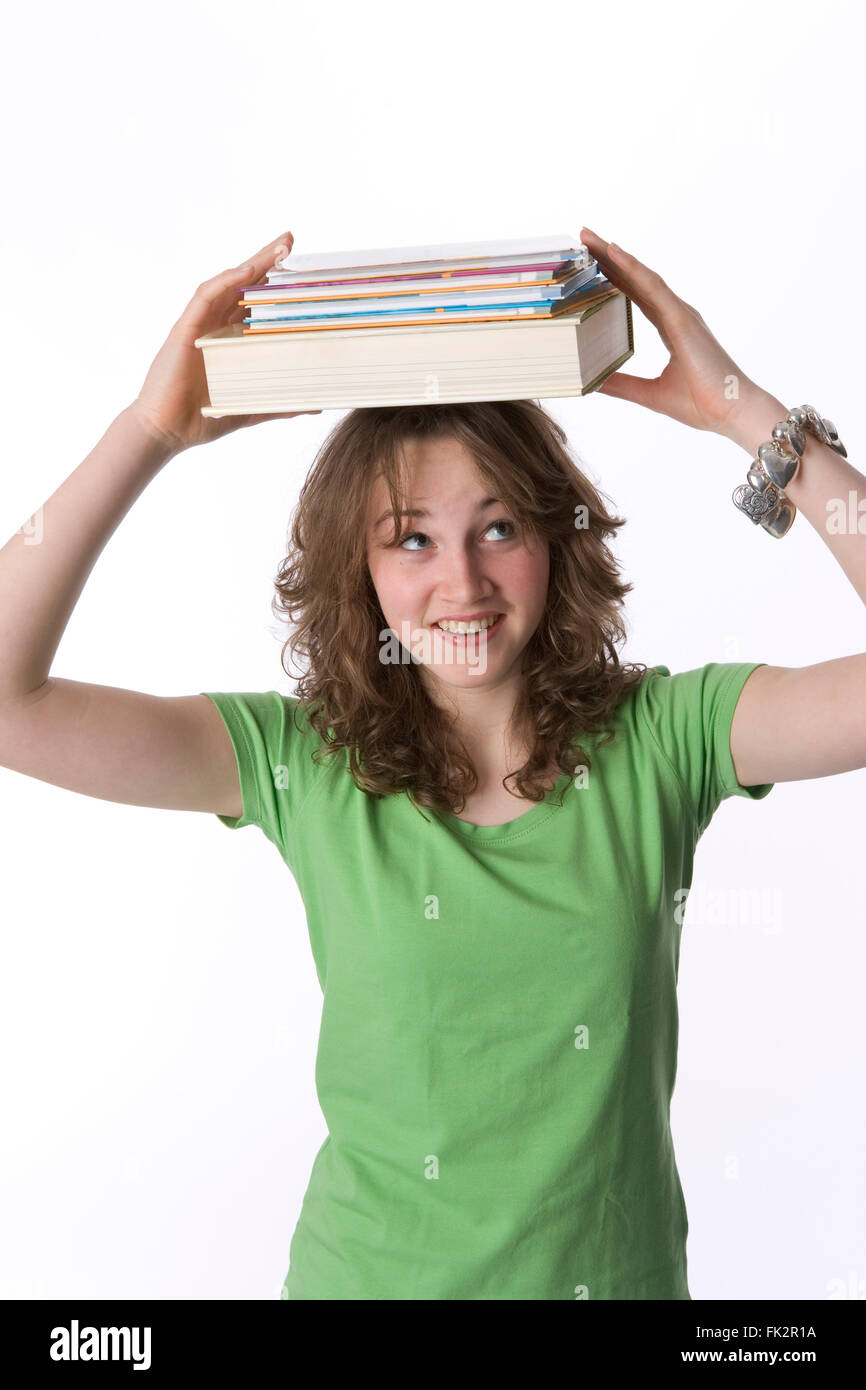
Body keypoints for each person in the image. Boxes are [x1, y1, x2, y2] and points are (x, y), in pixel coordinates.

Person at [1, 227, 863, 1301]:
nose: (460, 580)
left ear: (554, 539)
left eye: (497, 527)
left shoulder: (665, 740)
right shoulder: (297, 764)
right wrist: (148, 430)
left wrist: (746, 411)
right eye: (409, 538)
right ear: (356, 569)